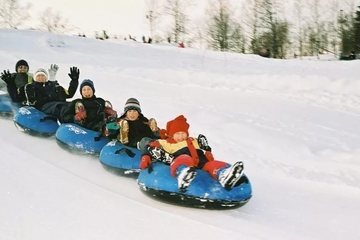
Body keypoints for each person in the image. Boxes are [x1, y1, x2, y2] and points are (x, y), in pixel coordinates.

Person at [140, 115, 245, 193]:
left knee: (214, 164)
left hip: (201, 163)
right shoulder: (167, 142)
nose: (180, 136)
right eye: (177, 134)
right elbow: (149, 147)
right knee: (184, 158)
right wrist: (145, 157)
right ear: (172, 134)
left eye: (183, 133)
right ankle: (183, 174)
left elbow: (205, 151)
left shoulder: (194, 140)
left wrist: (208, 153)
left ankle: (224, 175)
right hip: (182, 160)